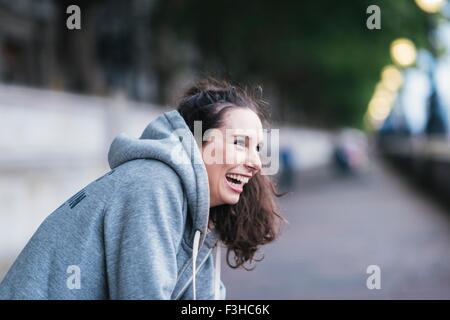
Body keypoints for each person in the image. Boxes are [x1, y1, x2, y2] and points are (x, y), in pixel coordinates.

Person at [0, 78, 284, 300]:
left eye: (257, 148)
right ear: (198, 140)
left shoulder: (199, 214)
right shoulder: (153, 185)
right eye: (239, 143)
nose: (257, 164)